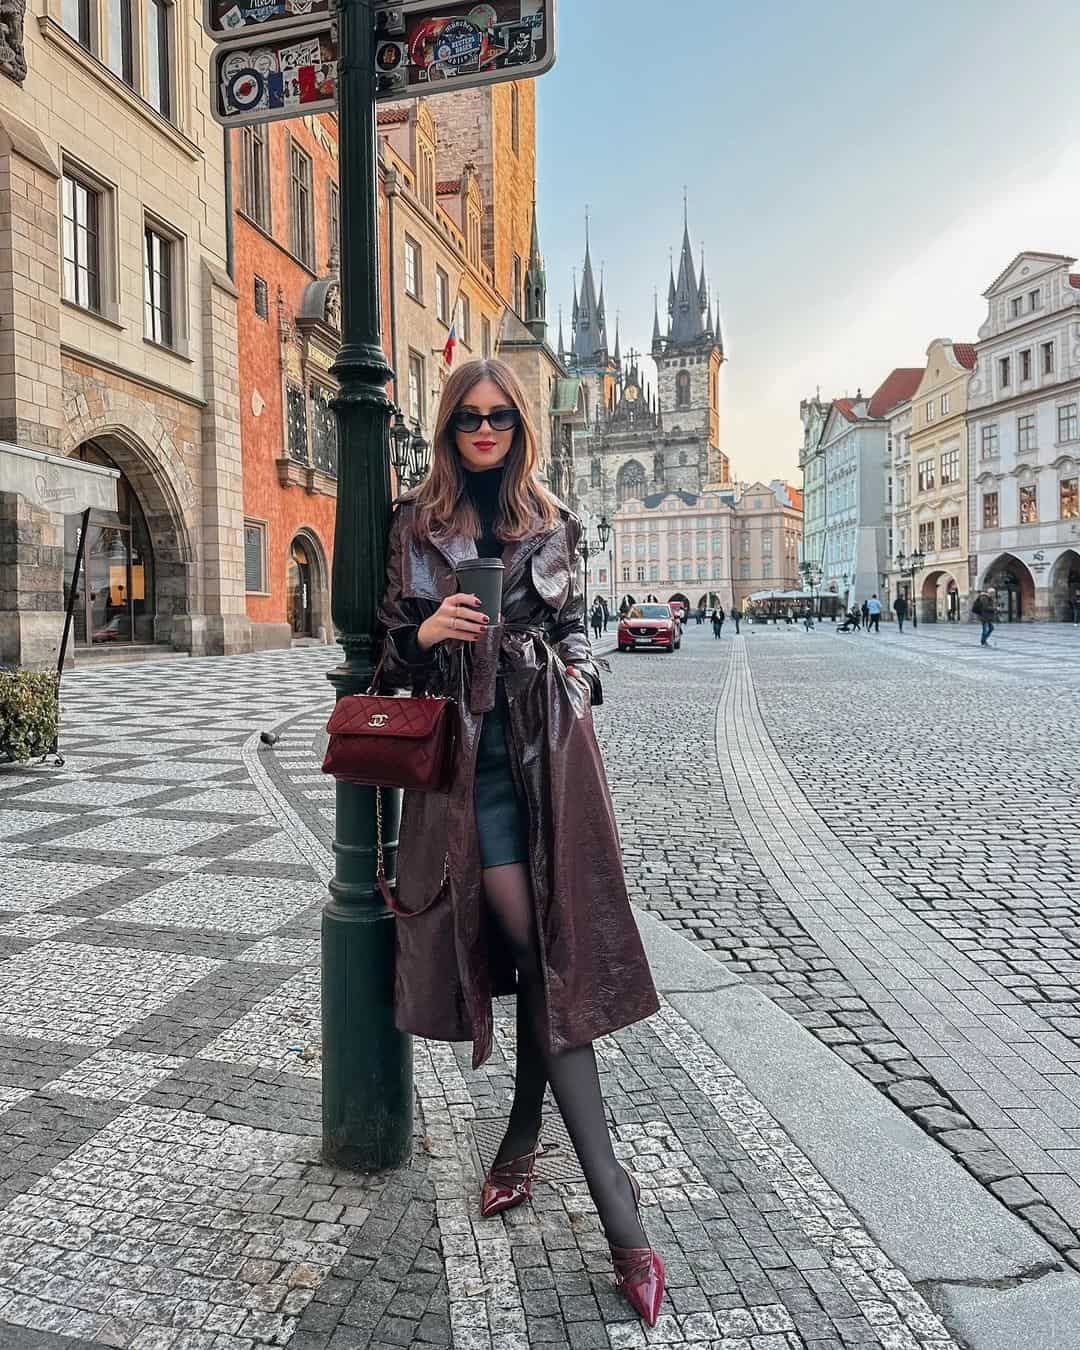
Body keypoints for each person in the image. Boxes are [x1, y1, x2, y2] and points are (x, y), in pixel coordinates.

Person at [376, 358, 665, 1326]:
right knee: (539, 955)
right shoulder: (414, 525)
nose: (485, 431)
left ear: (520, 427)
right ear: (447, 427)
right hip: (470, 772)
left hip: (550, 760)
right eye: (468, 418)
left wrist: (576, 676)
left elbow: (579, 630)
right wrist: (431, 633)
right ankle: (620, 1211)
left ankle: (520, 1140)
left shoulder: (552, 521)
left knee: (546, 958)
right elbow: (381, 650)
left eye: (500, 417)